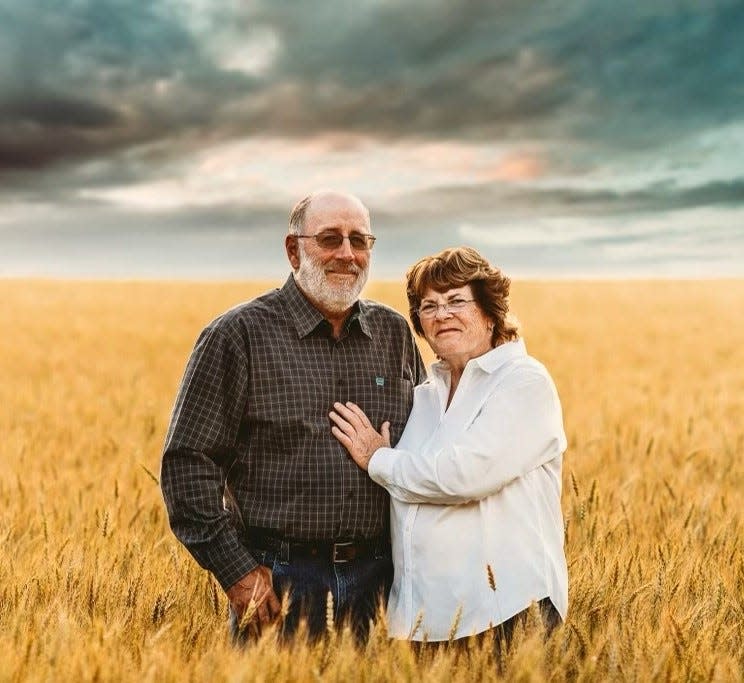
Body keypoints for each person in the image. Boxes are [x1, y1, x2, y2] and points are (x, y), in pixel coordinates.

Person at [160, 190, 426, 642]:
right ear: (293, 249)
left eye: (359, 241)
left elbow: (429, 443)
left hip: (383, 585)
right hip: (282, 582)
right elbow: (188, 464)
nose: (347, 253)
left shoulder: (393, 332)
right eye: (330, 238)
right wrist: (237, 573)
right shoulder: (238, 335)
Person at [329, 246, 568, 646]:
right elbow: (411, 486)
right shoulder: (425, 395)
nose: (442, 314)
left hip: (503, 614)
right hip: (425, 623)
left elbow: (464, 475)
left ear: (491, 312)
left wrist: (379, 460)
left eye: (457, 301)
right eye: (429, 306)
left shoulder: (523, 382)